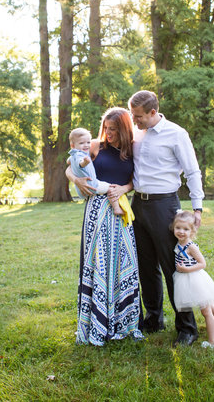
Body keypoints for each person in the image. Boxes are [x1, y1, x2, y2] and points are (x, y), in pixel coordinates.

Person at [128, 89, 204, 347]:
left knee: (173, 267)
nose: (134, 120)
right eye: (132, 115)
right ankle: (153, 318)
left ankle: (187, 328)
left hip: (164, 206)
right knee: (146, 266)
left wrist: (197, 208)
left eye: (138, 116)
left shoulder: (176, 134)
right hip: (138, 205)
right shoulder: (136, 131)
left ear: (152, 112)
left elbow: (193, 171)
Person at [69, 108, 143, 345]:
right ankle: (96, 323)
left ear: (123, 128)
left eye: (114, 129)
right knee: (98, 261)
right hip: (97, 212)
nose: (108, 133)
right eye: (106, 128)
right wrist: (76, 179)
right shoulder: (95, 146)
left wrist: (125, 188)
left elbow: (136, 179)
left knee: (123, 261)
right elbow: (70, 165)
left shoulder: (133, 149)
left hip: (121, 211)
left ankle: (124, 322)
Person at [171, 210, 214, 348]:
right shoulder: (179, 242)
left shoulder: (190, 246)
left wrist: (186, 269)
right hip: (187, 280)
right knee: (212, 308)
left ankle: (212, 341)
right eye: (178, 228)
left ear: (192, 231)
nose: (181, 231)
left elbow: (203, 264)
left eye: (186, 229)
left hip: (196, 280)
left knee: (207, 311)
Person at [68, 127, 123, 215]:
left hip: (84, 188)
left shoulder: (73, 154)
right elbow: (80, 163)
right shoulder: (80, 155)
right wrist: (85, 162)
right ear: (73, 145)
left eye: (88, 142)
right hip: (93, 185)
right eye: (82, 143)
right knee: (111, 189)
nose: (86, 145)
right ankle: (116, 208)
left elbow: (69, 161)